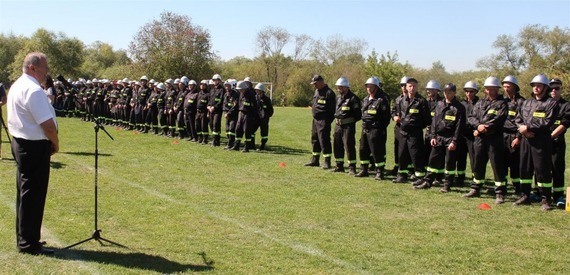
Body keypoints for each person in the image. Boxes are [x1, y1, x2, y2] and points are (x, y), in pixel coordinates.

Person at [7, 52, 58, 255]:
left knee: (25, 193)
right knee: (33, 196)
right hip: (34, 145)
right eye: (45, 68)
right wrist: (55, 143)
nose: (47, 72)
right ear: (33, 67)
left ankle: (26, 238)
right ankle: (29, 243)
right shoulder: (33, 90)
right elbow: (47, 125)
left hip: (21, 142)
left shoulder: (18, 85)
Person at [513, 74, 558, 210]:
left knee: (542, 170)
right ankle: (525, 195)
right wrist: (524, 131)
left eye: (539, 85)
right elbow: (518, 119)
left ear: (545, 87)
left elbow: (546, 121)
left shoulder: (551, 103)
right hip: (526, 140)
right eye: (534, 85)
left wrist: (529, 127)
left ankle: (545, 200)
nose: (536, 88)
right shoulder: (526, 102)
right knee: (525, 169)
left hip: (541, 141)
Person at [413, 83, 466, 191]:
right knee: (433, 160)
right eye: (445, 92)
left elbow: (459, 126)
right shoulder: (440, 104)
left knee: (450, 162)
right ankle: (428, 182)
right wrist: (433, 136)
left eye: (450, 93)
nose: (447, 95)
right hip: (438, 137)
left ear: (454, 93)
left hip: (451, 138)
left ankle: (447, 185)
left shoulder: (459, 107)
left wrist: (454, 141)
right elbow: (434, 122)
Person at [464, 77, 508, 204]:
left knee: (497, 165)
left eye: (492, 89)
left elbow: (498, 119)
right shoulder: (481, 102)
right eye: (487, 89)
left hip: (494, 139)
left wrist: (484, 127)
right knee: (478, 164)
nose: (489, 91)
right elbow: (471, 116)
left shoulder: (502, 103)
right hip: (480, 140)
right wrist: (477, 126)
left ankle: (500, 193)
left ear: (497, 89)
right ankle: (476, 188)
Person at [392, 77, 430, 183]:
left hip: (415, 133)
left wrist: (415, 126)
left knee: (416, 155)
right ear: (406, 87)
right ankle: (402, 175)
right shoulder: (400, 100)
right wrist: (394, 117)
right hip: (402, 132)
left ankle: (419, 177)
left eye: (414, 86)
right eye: (410, 86)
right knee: (402, 154)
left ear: (417, 87)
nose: (412, 88)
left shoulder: (421, 101)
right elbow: (394, 111)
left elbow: (427, 119)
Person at [355, 77, 390, 180]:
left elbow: (386, 117)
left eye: (371, 87)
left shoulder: (382, 99)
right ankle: (364, 169)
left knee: (377, 151)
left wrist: (380, 128)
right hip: (365, 128)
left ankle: (379, 171)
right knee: (363, 149)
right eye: (367, 87)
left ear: (376, 87)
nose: (369, 89)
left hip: (376, 130)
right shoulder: (366, 99)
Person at [331, 77, 361, 175]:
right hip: (338, 125)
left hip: (348, 126)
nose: (339, 89)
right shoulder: (337, 97)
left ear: (346, 87)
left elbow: (358, 115)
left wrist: (349, 121)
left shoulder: (353, 98)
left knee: (349, 145)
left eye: (341, 87)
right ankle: (339, 165)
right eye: (338, 87)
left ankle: (352, 167)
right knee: (337, 145)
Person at [304, 75, 336, 169]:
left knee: (324, 140)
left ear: (321, 82)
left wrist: (327, 121)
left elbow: (332, 110)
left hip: (324, 120)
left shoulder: (329, 93)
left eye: (316, 83)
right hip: (315, 120)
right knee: (315, 139)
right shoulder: (317, 91)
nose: (314, 86)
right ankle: (315, 160)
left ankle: (327, 161)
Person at [501, 76, 524, 196]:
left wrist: (518, 137)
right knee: (502, 163)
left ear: (515, 87)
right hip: (502, 136)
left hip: (514, 135)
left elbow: (523, 121)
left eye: (508, 86)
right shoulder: (503, 101)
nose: (506, 89)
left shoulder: (521, 102)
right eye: (504, 86)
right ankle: (503, 187)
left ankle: (518, 189)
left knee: (515, 164)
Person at [549, 78, 570, 209]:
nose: (554, 91)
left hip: (557, 143)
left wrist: (551, 136)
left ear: (561, 89)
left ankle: (558, 196)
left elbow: (565, 123)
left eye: (557, 88)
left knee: (557, 169)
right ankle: (540, 193)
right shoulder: (544, 103)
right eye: (551, 88)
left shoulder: (566, 105)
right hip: (542, 143)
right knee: (541, 169)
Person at [455, 81, 479, 186]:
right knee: (461, 157)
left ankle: (476, 178)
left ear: (476, 92)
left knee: (474, 158)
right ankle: (460, 178)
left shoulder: (480, 103)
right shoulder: (461, 104)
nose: (469, 93)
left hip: (473, 135)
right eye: (467, 91)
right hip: (462, 135)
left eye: (471, 91)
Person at [388, 76, 410, 175]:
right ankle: (397, 166)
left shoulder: (413, 99)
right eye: (402, 85)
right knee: (397, 147)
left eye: (405, 85)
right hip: (398, 127)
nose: (403, 87)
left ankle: (409, 168)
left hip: (408, 128)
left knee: (408, 149)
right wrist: (394, 117)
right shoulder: (398, 99)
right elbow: (392, 111)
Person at [254, 82, 274, 151]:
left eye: (258, 90)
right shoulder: (255, 98)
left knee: (264, 133)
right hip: (256, 118)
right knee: (251, 131)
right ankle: (251, 145)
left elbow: (271, 110)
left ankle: (262, 145)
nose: (256, 91)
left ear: (262, 90)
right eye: (256, 90)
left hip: (264, 119)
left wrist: (266, 116)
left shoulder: (267, 99)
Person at [208, 74, 225, 146]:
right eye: (213, 80)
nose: (214, 81)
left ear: (219, 81)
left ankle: (215, 140)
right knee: (211, 124)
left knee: (216, 124)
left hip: (217, 110)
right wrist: (208, 106)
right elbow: (209, 100)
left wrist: (214, 107)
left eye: (216, 80)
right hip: (211, 110)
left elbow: (220, 101)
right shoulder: (212, 90)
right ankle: (216, 139)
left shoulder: (222, 90)